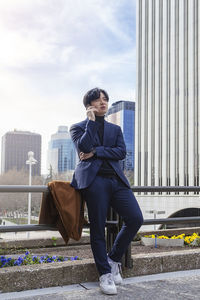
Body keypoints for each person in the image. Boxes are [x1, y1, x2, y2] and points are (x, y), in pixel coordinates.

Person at [70, 87, 143, 295]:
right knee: (98, 228)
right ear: (88, 105)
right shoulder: (77, 128)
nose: (103, 102)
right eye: (98, 100)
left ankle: (112, 260)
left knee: (135, 218)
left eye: (105, 99)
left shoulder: (115, 129)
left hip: (116, 180)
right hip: (94, 182)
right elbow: (83, 148)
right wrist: (91, 123)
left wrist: (97, 152)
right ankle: (104, 274)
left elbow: (120, 152)